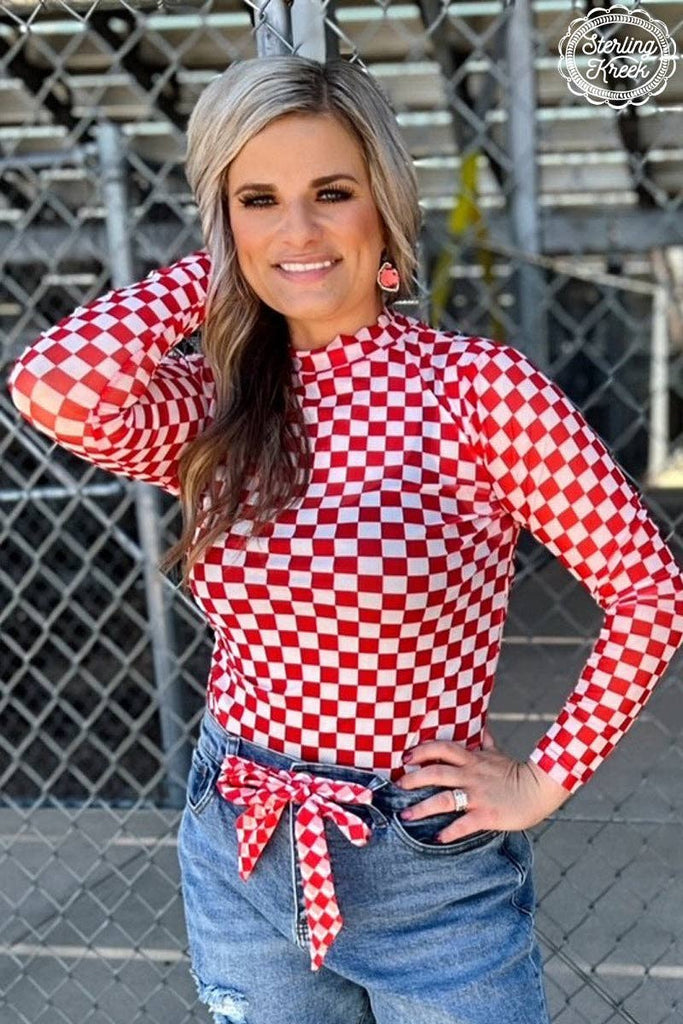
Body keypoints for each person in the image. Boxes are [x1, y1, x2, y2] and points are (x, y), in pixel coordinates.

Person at [7, 53, 683, 1024]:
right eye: (257, 196)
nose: (299, 229)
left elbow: (646, 588)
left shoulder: (476, 391)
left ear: (385, 204)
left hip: (422, 868)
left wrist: (541, 779)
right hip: (239, 837)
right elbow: (49, 384)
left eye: (331, 191)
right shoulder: (218, 405)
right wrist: (231, 260)